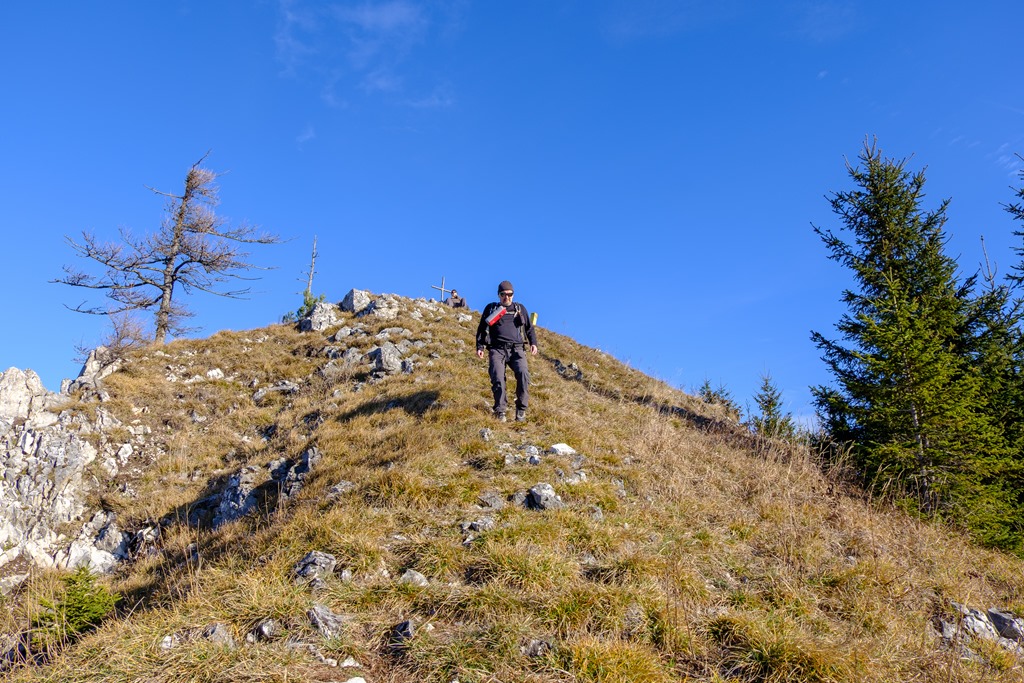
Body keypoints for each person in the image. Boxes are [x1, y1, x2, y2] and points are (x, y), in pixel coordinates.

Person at [476, 280, 538, 422]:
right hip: (497, 349)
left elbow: (529, 328)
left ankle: (521, 410)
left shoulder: (520, 308)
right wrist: (480, 347)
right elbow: (482, 329)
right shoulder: (491, 308)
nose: (507, 297)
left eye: (510, 294)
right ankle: (500, 411)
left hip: (517, 349)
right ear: (499, 295)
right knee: (497, 378)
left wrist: (533, 343)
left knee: (523, 374)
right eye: (503, 294)